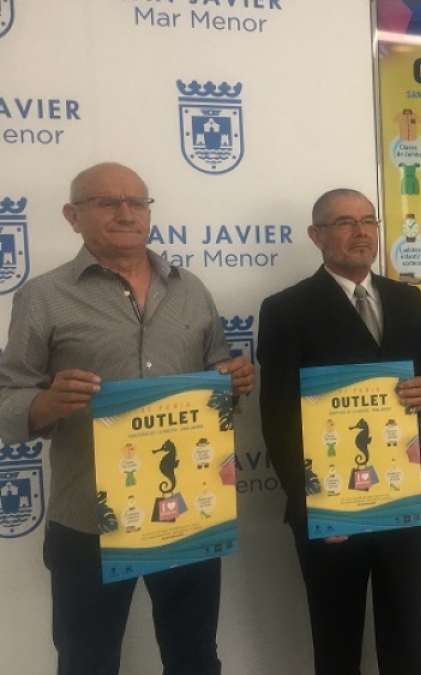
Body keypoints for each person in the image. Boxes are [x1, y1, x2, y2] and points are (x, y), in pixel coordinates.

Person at [0, 162, 256, 675]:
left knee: (195, 658)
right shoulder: (43, 296)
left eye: (137, 202)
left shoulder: (190, 289)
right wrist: (47, 403)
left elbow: (216, 379)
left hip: (188, 509)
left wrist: (234, 382)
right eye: (107, 202)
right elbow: (9, 395)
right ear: (73, 216)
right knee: (87, 662)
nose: (126, 213)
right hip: (88, 519)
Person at [258, 188, 421, 675]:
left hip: (406, 493)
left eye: (368, 221)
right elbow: (277, 417)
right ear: (316, 235)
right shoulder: (286, 309)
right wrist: (315, 506)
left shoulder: (405, 297)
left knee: (411, 637)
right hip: (332, 505)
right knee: (337, 640)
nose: (361, 232)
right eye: (345, 222)